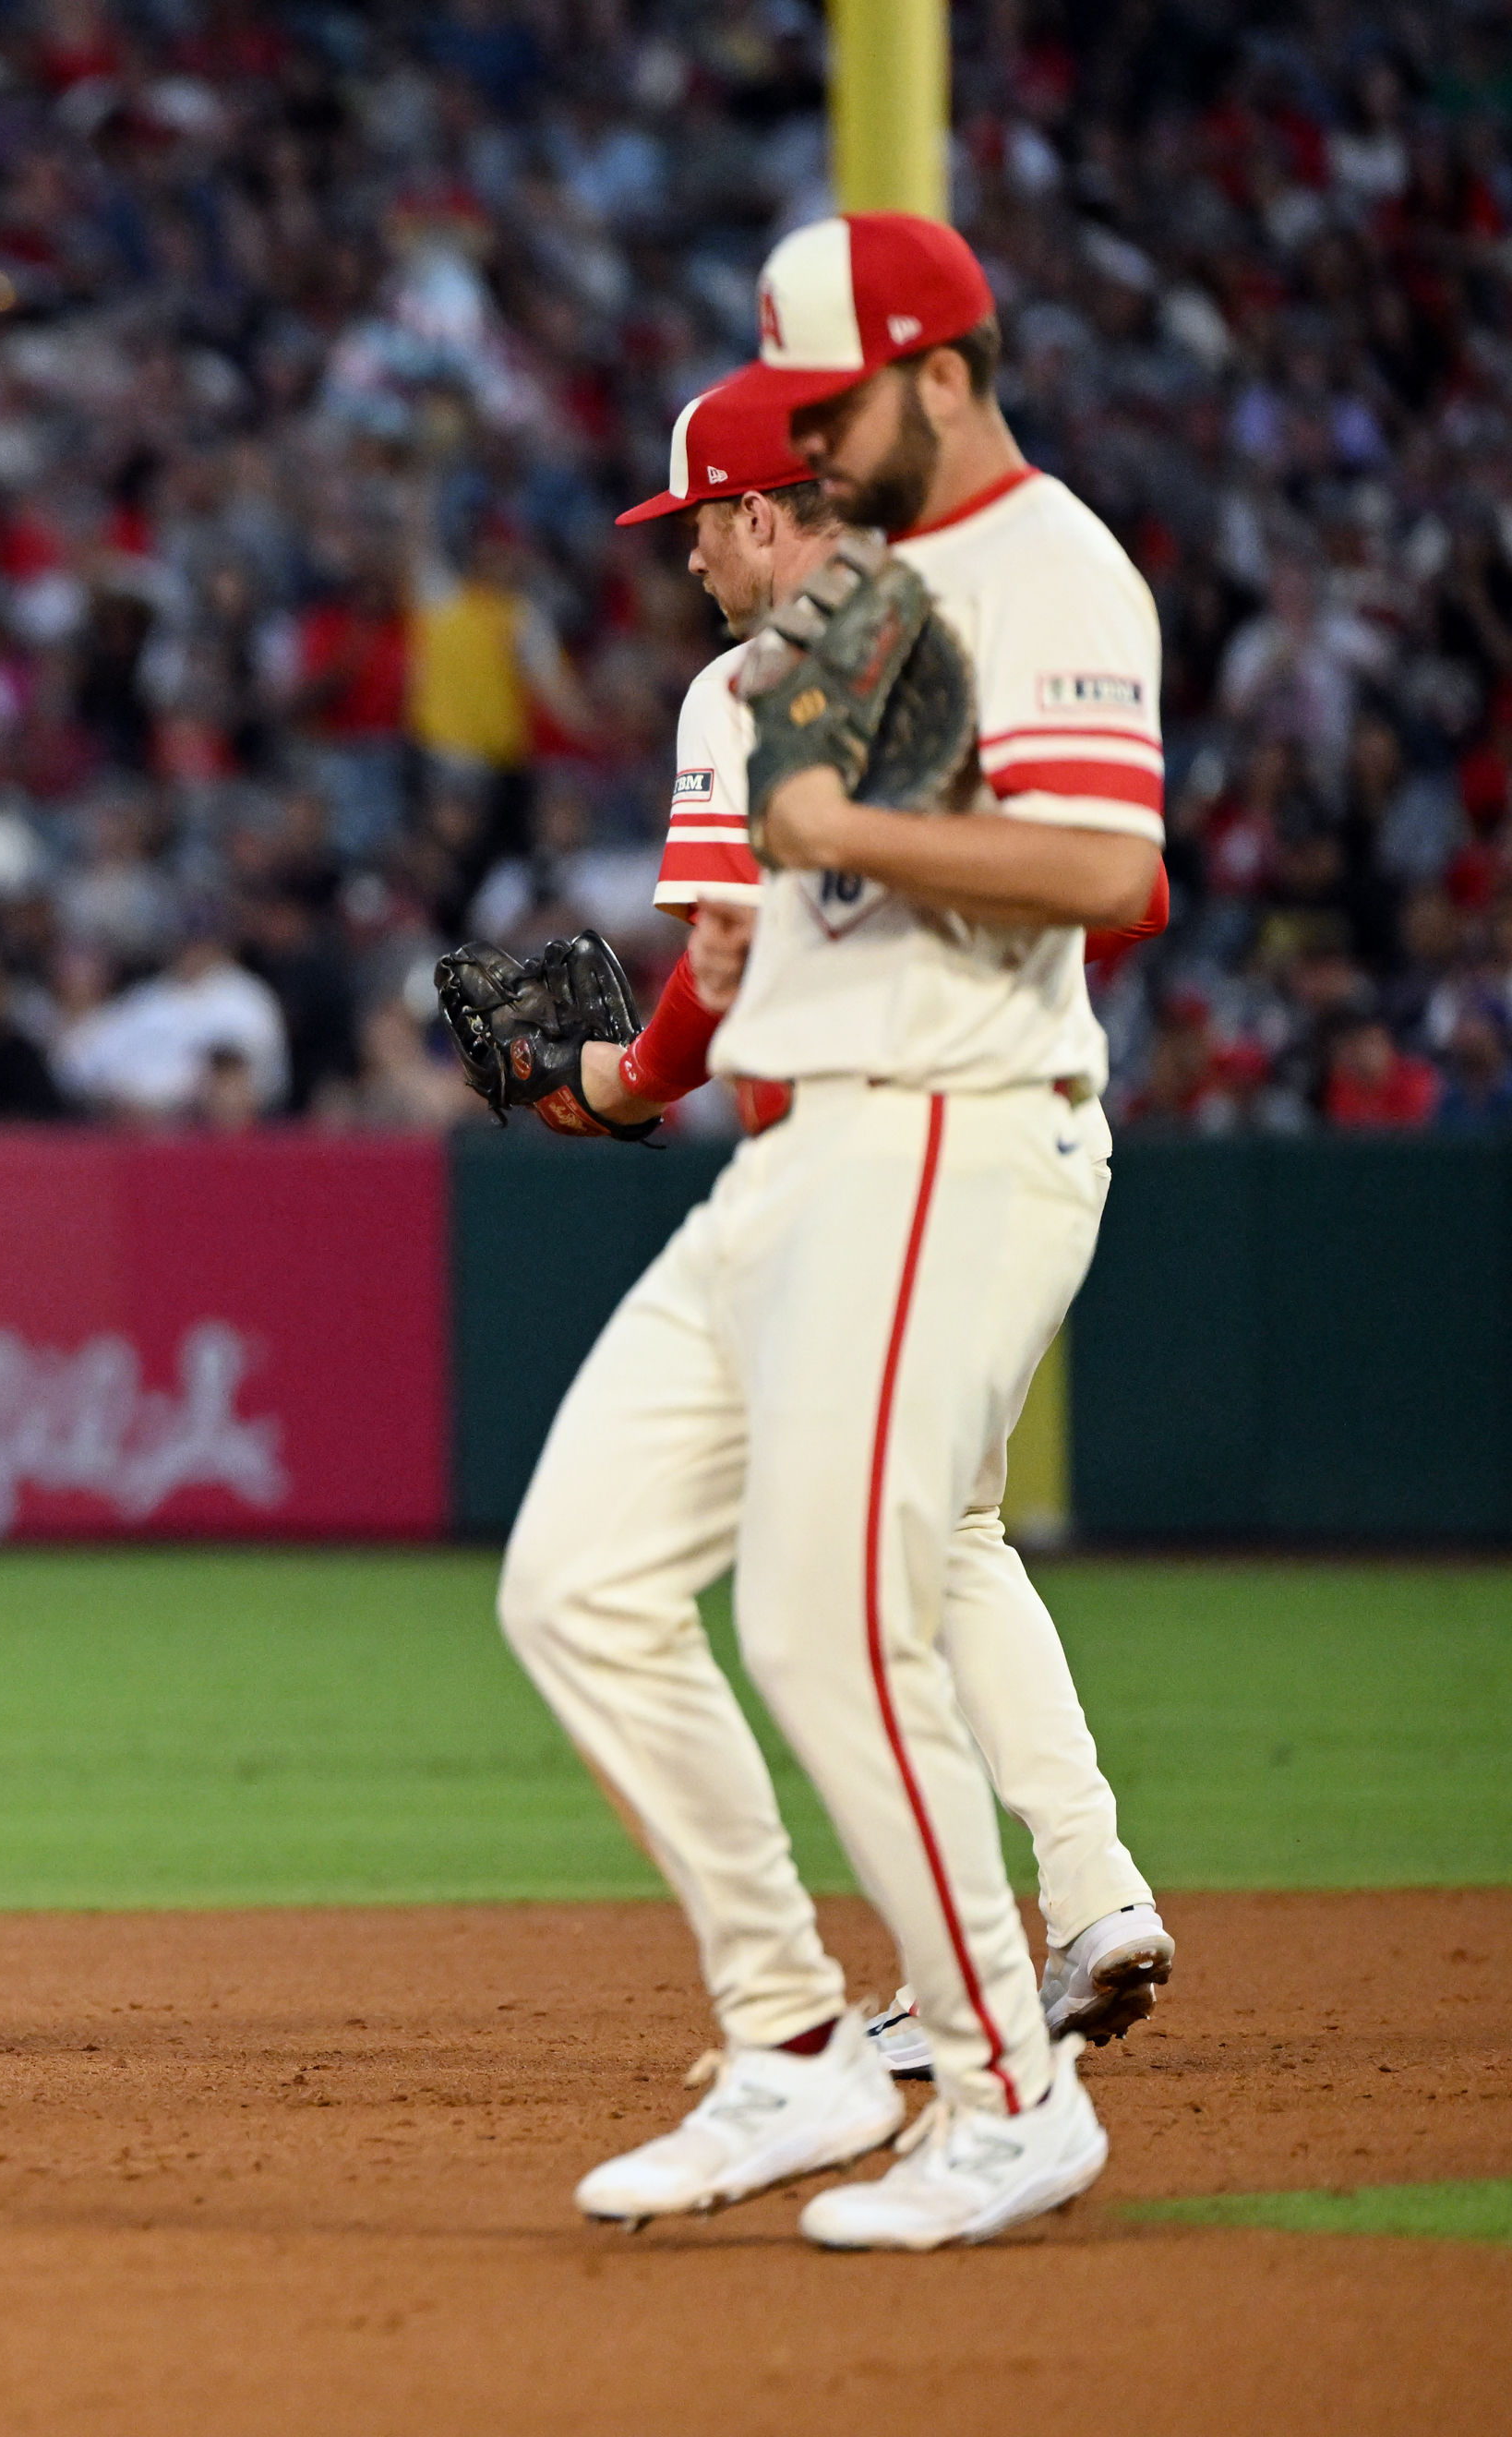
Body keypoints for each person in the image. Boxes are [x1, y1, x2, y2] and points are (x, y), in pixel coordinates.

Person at [497, 215, 1169, 2251]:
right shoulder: (835, 608)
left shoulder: (1047, 569)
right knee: (579, 1583)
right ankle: (794, 2044)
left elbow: (1109, 871)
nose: (805, 447)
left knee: (821, 1618)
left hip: (954, 1130)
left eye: (833, 404)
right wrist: (638, 1066)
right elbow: (738, 929)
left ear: (942, 376)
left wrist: (844, 832)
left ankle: (1001, 2090)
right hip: (798, 1153)